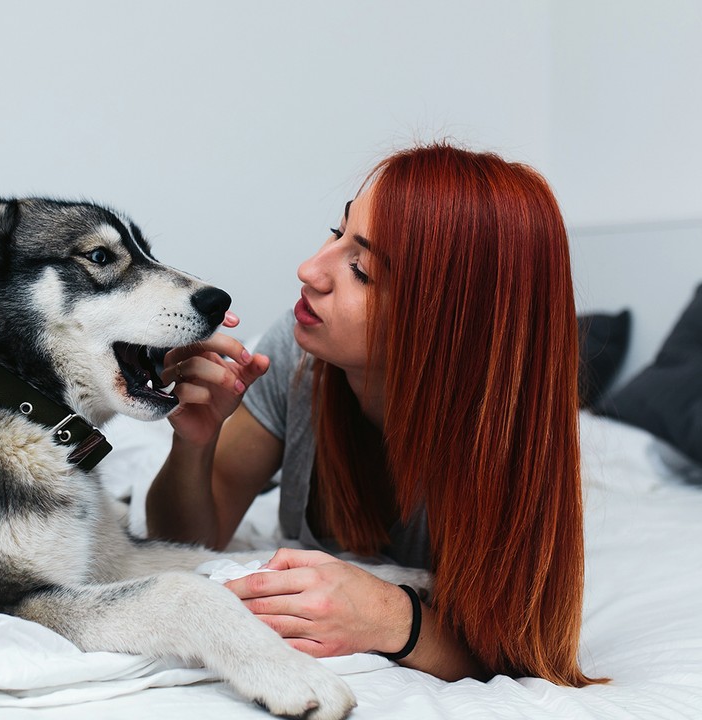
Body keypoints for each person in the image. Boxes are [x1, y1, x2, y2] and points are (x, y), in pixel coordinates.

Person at [145, 143, 603, 686]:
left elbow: (527, 654)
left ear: (450, 323)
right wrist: (194, 443)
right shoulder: (298, 359)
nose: (309, 269)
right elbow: (189, 538)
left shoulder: (504, 443)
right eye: (336, 233)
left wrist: (392, 618)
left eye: (361, 269)